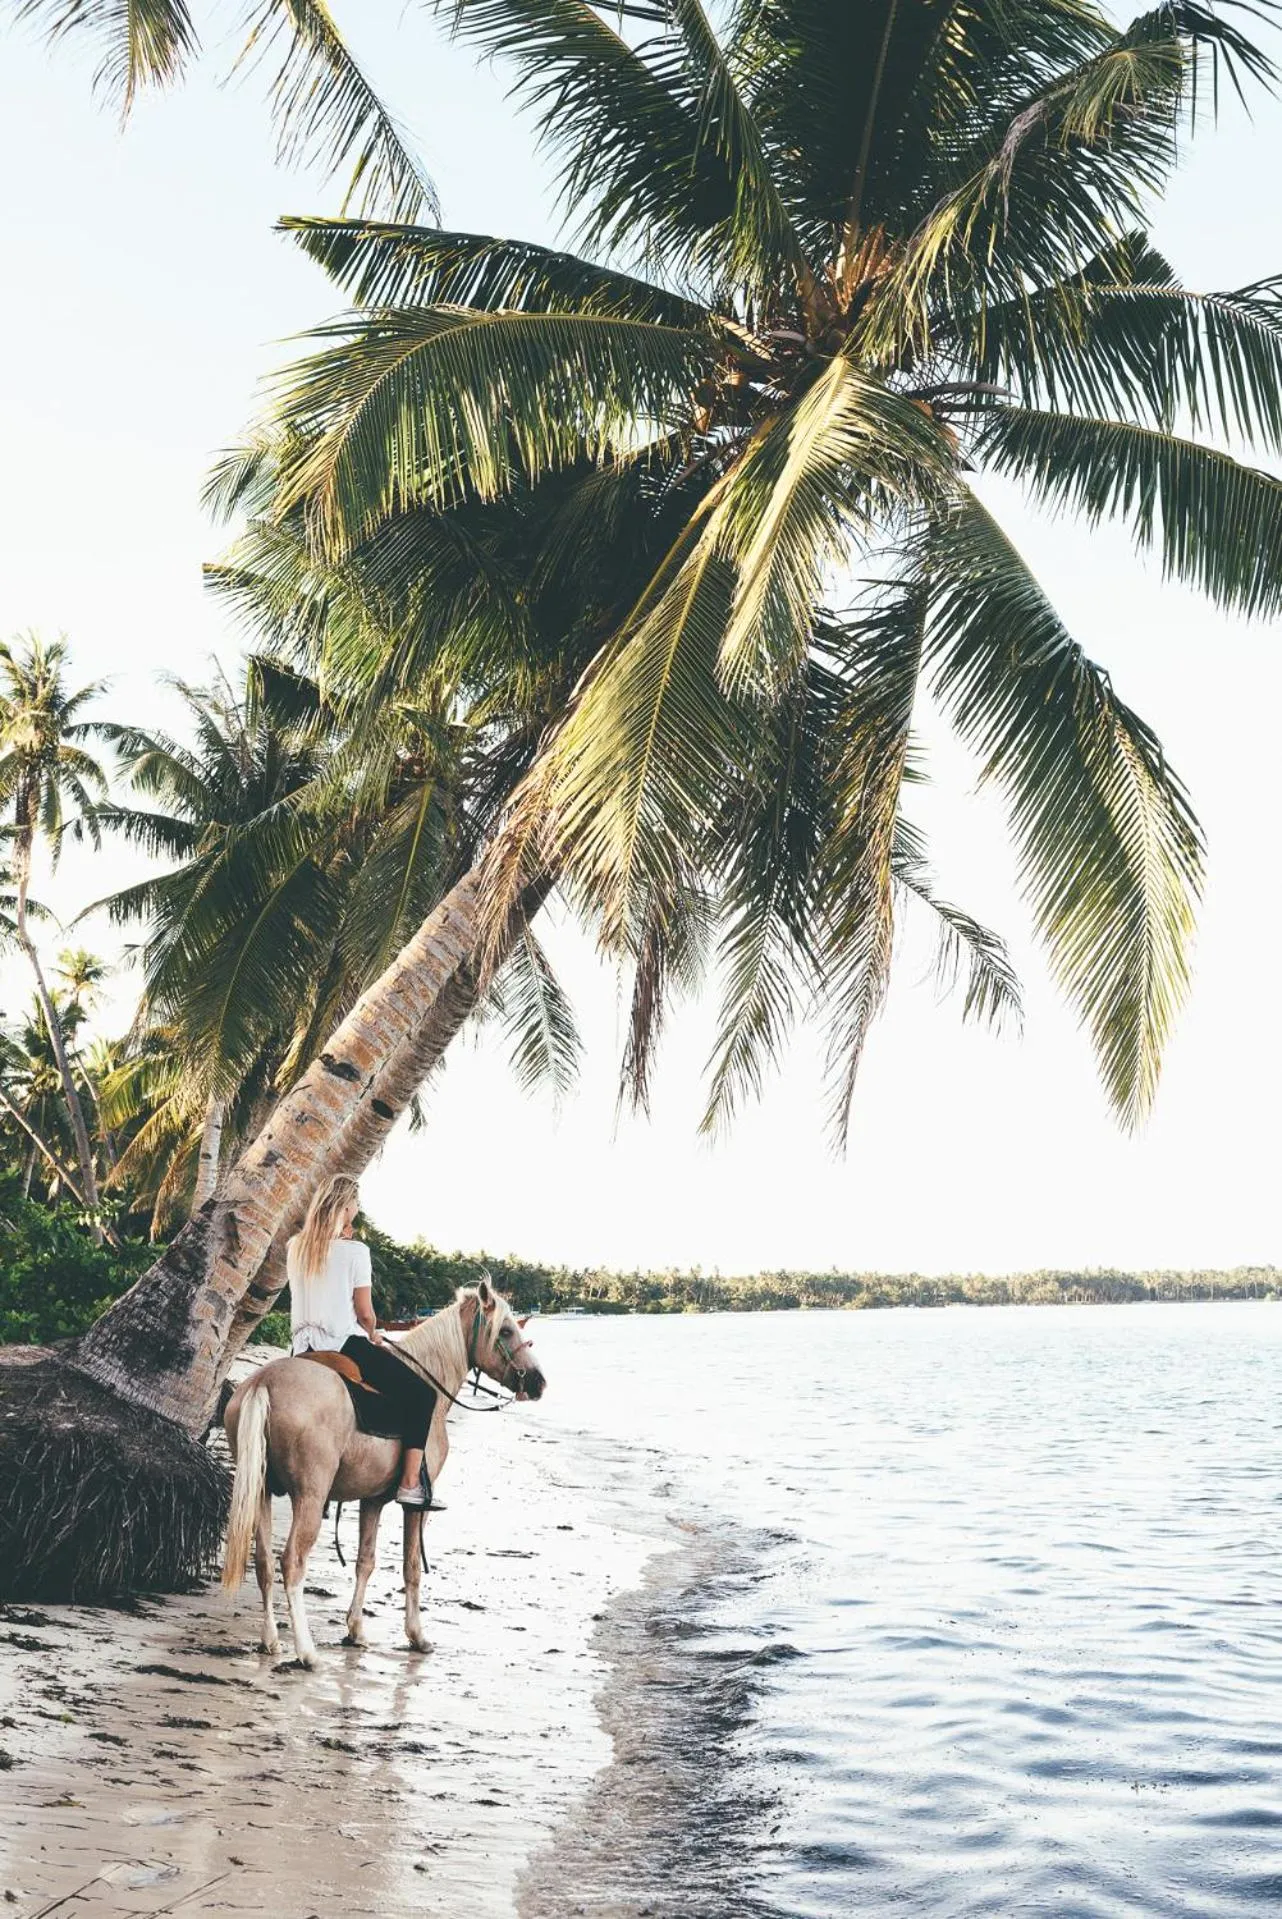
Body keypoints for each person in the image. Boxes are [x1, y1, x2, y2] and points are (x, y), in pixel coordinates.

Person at [287, 1174, 441, 1508]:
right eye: (355, 1203)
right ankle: (411, 1485)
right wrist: (373, 1333)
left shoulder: (295, 1248)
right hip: (343, 1344)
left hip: (302, 1350)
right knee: (422, 1394)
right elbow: (365, 1312)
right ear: (346, 1207)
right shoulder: (355, 1251)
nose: (356, 1208)